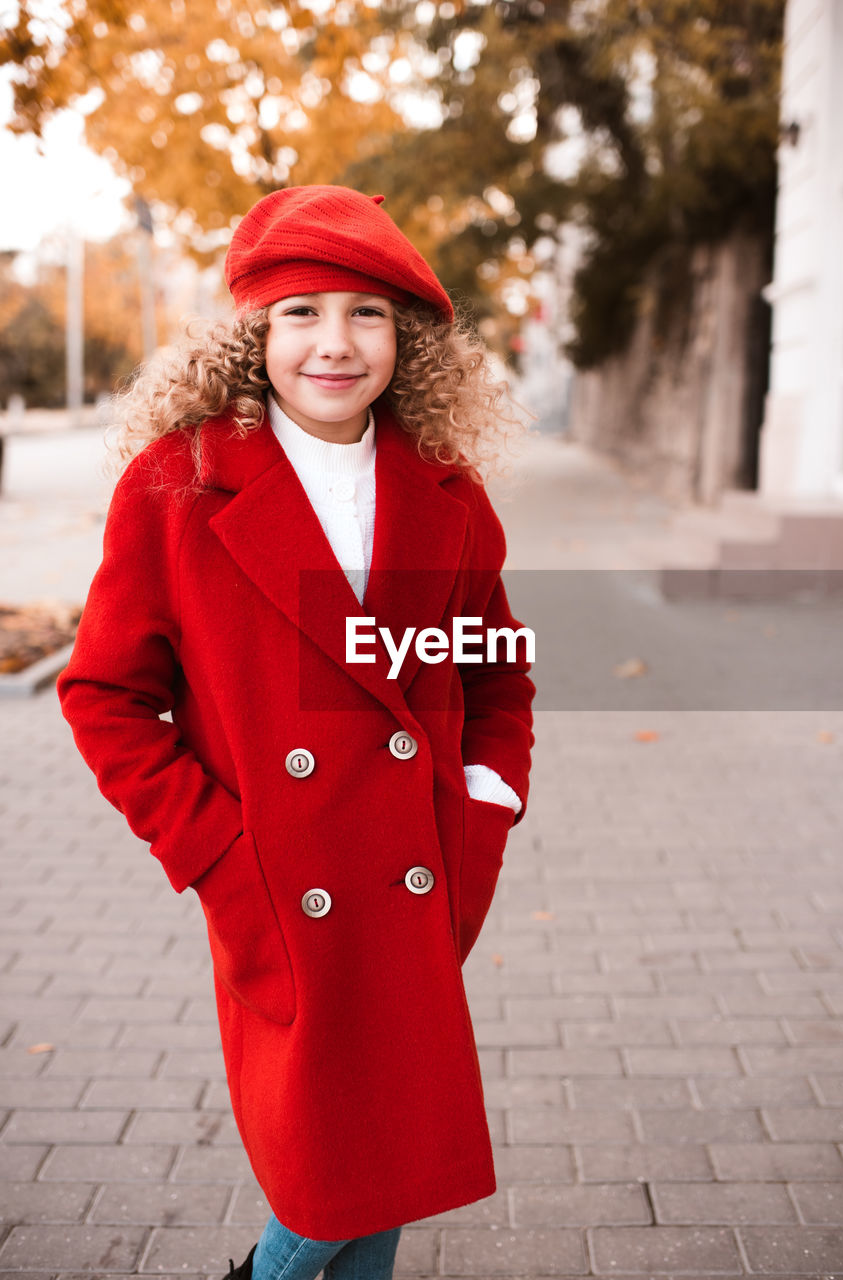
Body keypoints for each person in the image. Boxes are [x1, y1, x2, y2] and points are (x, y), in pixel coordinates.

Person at [57, 185, 535, 1280]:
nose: (334, 343)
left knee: (389, 1164)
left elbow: (495, 673)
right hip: (284, 884)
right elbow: (103, 693)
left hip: (417, 878)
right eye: (300, 312)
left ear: (403, 340)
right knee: (329, 1177)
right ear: (252, 335)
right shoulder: (176, 488)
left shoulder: (446, 494)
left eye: (365, 313)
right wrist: (217, 848)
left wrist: (485, 801)